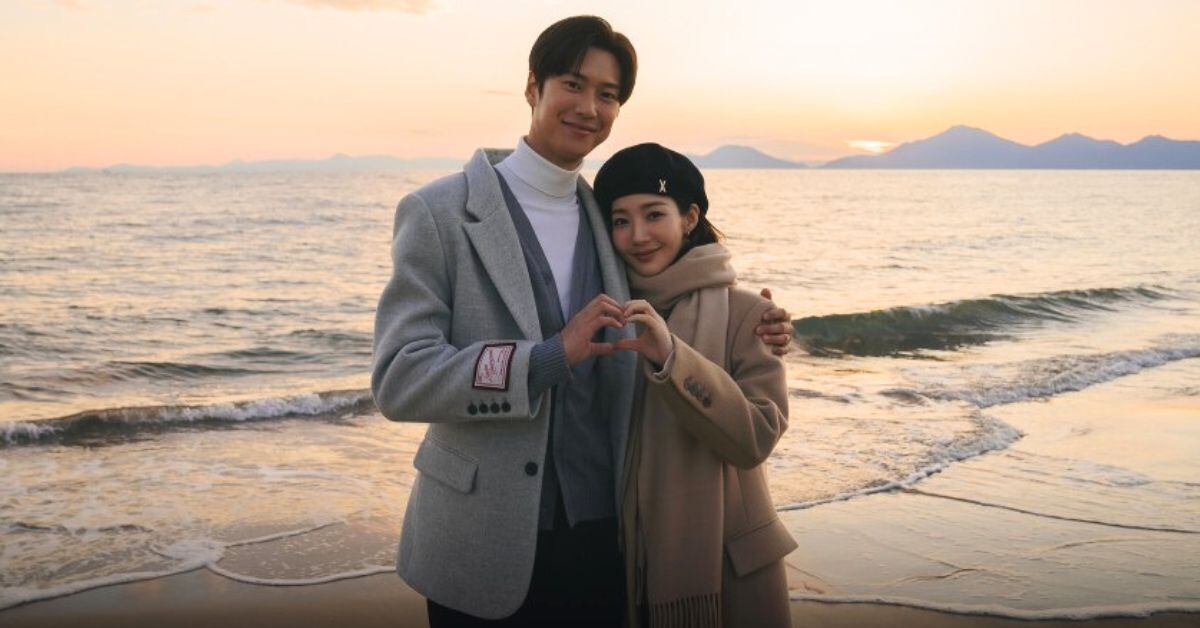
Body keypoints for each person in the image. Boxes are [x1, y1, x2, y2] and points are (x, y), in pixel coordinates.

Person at [371, 16, 792, 626]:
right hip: (479, 536)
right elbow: (399, 376)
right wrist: (543, 359)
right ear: (532, 88)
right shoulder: (438, 212)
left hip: (608, 540)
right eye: (573, 84)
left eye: (608, 94)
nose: (589, 107)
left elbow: (683, 291)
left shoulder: (610, 217)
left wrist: (761, 321)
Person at [592, 143, 796, 628]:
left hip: (726, 574)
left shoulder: (747, 312)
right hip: (627, 565)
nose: (637, 236)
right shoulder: (603, 314)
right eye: (620, 220)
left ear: (689, 217)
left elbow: (757, 437)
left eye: (654, 214)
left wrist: (672, 359)